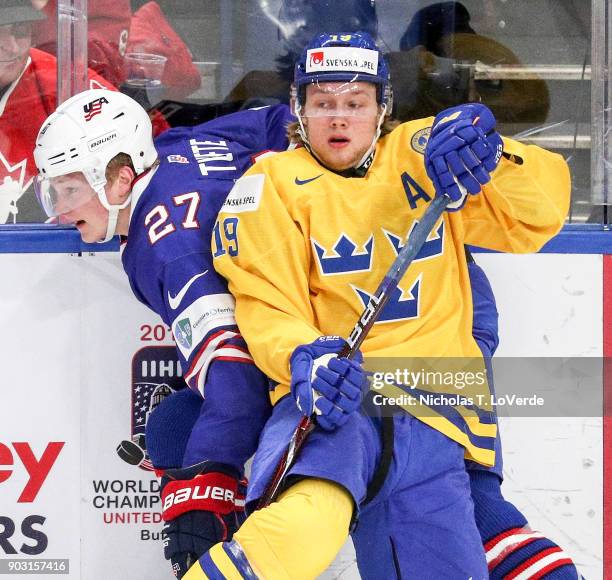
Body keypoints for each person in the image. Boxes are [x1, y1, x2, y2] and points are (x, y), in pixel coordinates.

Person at [200, 31, 572, 578]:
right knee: (303, 526)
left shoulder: (425, 152)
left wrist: (495, 156)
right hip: (342, 399)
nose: (340, 119)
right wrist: (307, 357)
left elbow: (540, 214)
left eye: (356, 104)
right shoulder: (269, 185)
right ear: (298, 109)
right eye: (323, 104)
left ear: (383, 109)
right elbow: (264, 303)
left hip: (439, 414)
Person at [32, 89, 292, 576]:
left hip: (333, 356)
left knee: (183, 434)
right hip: (329, 316)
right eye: (54, 191)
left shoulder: (169, 246)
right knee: (175, 421)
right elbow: (283, 119)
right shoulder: (179, 145)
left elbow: (237, 383)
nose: (59, 212)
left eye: (70, 190)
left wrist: (201, 496)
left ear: (121, 179)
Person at [0, 0, 116, 223]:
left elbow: (153, 150)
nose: (13, 47)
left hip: (53, 251)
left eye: (20, 31)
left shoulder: (68, 88)